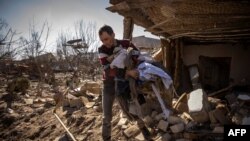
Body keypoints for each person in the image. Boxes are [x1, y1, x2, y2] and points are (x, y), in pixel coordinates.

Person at [98, 25, 151, 141]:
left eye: (106, 39)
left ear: (113, 35)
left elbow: (138, 57)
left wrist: (133, 64)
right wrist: (128, 72)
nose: (104, 42)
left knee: (132, 107)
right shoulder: (102, 50)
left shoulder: (126, 44)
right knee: (107, 116)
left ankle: (144, 130)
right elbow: (108, 71)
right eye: (102, 40)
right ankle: (106, 138)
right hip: (109, 85)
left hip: (124, 83)